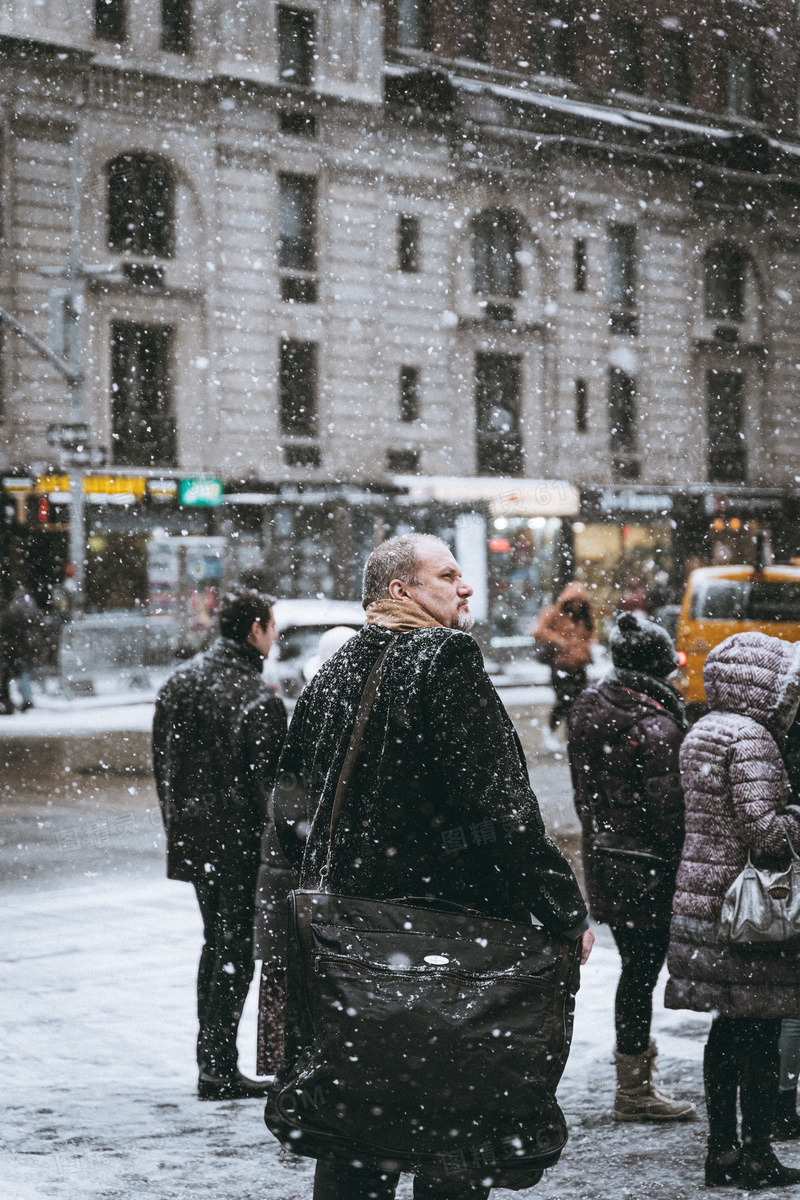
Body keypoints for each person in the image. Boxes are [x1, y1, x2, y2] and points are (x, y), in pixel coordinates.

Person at [272, 533, 593, 1200]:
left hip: (348, 937)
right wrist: (561, 908)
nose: (466, 586)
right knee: (453, 1128)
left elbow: (291, 804)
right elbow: (501, 809)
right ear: (401, 591)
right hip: (444, 938)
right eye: (448, 575)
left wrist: (351, 867)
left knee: (358, 1133)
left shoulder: (334, 669)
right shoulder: (443, 659)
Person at [666, 632, 800, 1188]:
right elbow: (766, 833)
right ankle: (757, 1153)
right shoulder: (753, 740)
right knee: (762, 1033)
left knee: (727, 1031)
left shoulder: (703, 730)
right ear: (764, 684)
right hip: (746, 914)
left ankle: (721, 1151)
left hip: (703, 900)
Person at [153, 587, 287, 1100]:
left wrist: (182, 827)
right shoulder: (256, 697)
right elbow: (273, 790)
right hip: (241, 847)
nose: (274, 637)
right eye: (271, 627)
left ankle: (212, 1062)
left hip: (196, 841)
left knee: (217, 946)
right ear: (254, 630)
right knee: (233, 950)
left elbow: (164, 768)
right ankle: (217, 1067)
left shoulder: (179, 683)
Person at [568, 612, 694, 1122]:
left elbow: (585, 793)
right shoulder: (656, 725)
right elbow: (670, 816)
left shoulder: (590, 705)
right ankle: (635, 1091)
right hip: (648, 868)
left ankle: (634, 1083)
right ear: (659, 666)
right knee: (641, 972)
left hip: (607, 858)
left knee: (633, 971)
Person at [532, 581, 594, 751]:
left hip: (579, 666)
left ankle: (571, 736)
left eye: (580, 602)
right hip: (560, 665)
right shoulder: (555, 614)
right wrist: (557, 639)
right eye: (574, 601)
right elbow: (537, 630)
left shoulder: (584, 617)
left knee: (579, 703)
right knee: (564, 702)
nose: (577, 605)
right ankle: (551, 731)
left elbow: (589, 637)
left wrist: (586, 650)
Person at [0, 584, 46, 713]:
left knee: (11, 676)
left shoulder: (13, 611)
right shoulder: (30, 608)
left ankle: (14, 700)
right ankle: (27, 699)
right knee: (26, 673)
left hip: (15, 649)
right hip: (28, 646)